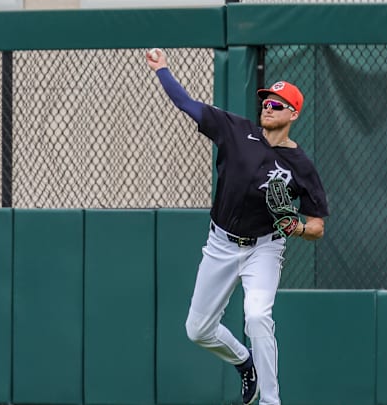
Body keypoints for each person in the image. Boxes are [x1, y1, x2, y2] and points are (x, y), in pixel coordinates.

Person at [146, 49, 329, 405]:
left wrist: (297, 227)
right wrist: (163, 69)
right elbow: (186, 103)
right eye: (265, 102)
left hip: (264, 246)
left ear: (293, 113)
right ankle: (244, 362)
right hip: (221, 244)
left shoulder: (301, 165)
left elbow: (318, 225)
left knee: (258, 316)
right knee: (197, 330)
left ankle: (271, 401)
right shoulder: (235, 130)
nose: (267, 108)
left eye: (277, 105)